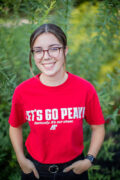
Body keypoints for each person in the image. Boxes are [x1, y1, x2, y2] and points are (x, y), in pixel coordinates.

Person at [8, 23, 105, 180]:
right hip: (35, 171)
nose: (46, 56)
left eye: (54, 48)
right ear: (33, 54)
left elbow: (98, 127)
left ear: (65, 50)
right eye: (38, 50)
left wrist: (89, 160)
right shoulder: (23, 91)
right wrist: (21, 159)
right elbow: (14, 126)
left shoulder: (85, 89)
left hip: (74, 170)